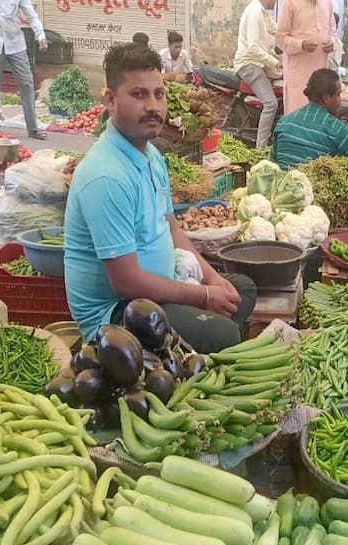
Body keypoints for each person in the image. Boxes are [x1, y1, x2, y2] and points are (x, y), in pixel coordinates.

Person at [65, 44, 256, 353]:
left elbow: (172, 229)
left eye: (159, 94)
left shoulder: (152, 155)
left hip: (159, 288)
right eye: (139, 95)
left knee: (241, 289)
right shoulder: (106, 175)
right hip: (119, 312)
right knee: (224, 333)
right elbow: (126, 283)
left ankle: (188, 349)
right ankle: (190, 350)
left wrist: (210, 279)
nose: (153, 106)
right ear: (111, 101)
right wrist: (204, 297)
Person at [0, 0, 48, 140]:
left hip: (15, 43)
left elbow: (31, 15)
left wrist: (40, 35)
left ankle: (33, 129)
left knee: (27, 83)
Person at [235, 0, 281, 148]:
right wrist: (274, 62)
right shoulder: (255, 12)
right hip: (249, 65)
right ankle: (260, 148)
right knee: (271, 103)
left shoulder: (263, 13)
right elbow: (253, 47)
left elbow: (278, 30)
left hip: (258, 64)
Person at [277, 0, 336, 115]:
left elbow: (333, 34)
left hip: (321, 78)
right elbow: (280, 39)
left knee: (318, 119)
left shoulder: (327, 3)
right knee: (297, 120)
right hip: (298, 80)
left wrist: (332, 43)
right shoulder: (290, 2)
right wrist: (301, 45)